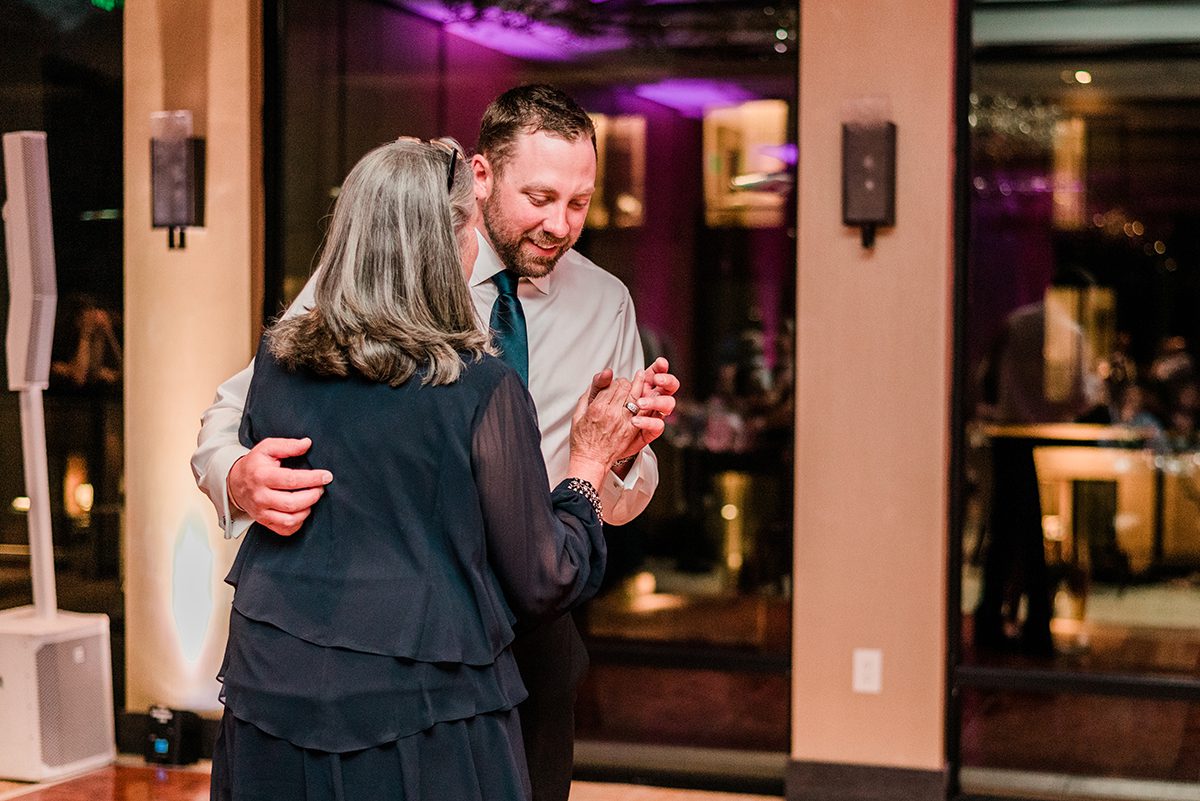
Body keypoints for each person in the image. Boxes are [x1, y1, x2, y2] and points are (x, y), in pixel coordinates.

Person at [192, 85, 680, 801]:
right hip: (392, 631)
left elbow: (617, 501)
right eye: (540, 197)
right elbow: (241, 403)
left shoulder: (605, 301)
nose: (559, 224)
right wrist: (236, 474)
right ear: (480, 176)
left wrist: (623, 456)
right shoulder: (368, 274)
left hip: (533, 612)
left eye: (579, 202)